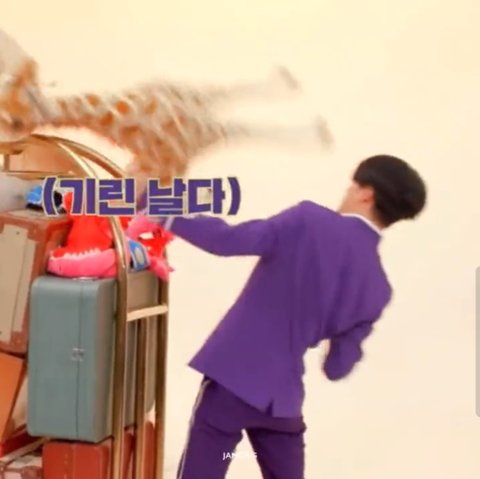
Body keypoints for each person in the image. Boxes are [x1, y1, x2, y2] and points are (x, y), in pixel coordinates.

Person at [146, 154, 427, 479]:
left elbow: (227, 240)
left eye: (352, 187)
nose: (346, 194)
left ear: (366, 194)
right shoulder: (378, 289)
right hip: (282, 405)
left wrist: (150, 201)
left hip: (232, 381)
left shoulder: (308, 221)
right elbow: (336, 368)